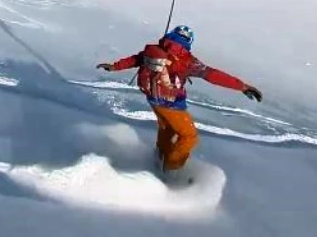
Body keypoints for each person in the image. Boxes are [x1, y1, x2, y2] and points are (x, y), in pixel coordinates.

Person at [97, 25, 262, 176]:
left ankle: (159, 160)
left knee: (167, 131)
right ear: (188, 42)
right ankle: (172, 172)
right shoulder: (186, 61)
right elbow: (213, 75)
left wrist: (114, 66)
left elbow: (136, 59)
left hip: (153, 99)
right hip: (171, 104)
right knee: (189, 136)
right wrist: (242, 86)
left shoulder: (155, 50)